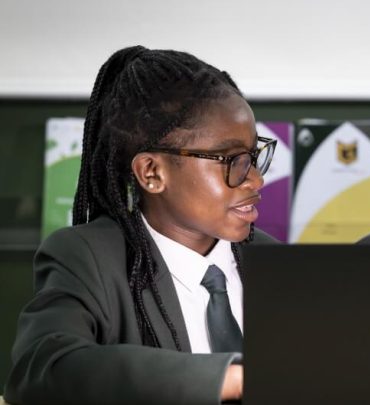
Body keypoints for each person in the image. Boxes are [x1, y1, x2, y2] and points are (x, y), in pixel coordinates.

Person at [4, 46, 278, 404]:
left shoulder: (276, 261)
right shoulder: (91, 258)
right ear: (152, 173)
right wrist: (225, 378)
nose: (255, 180)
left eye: (253, 156)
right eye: (231, 160)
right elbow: (42, 370)